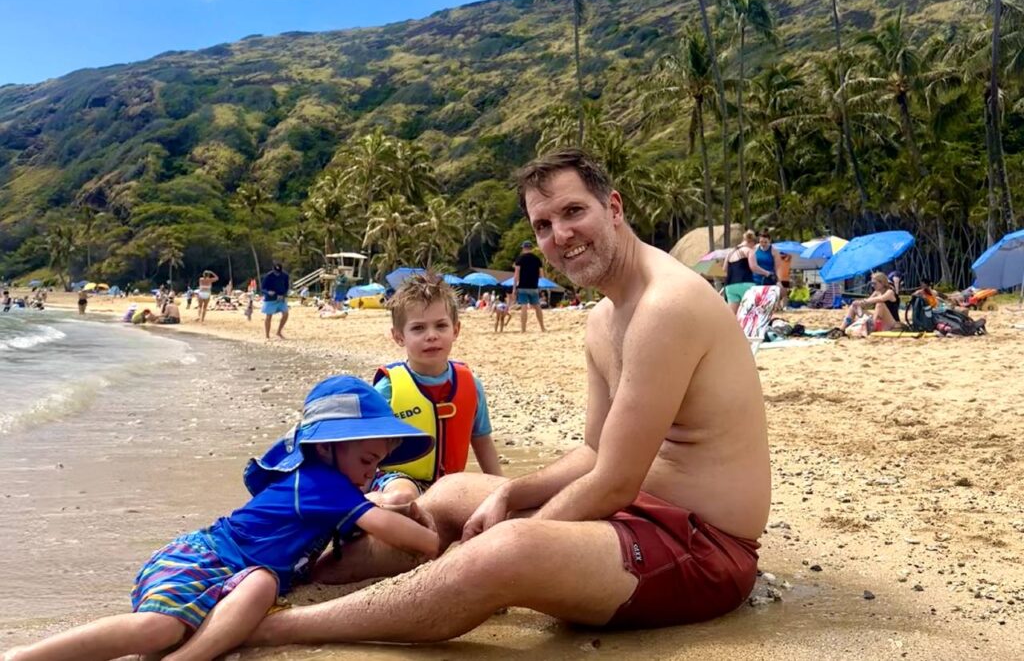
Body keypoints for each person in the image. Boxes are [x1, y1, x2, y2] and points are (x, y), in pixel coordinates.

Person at [247, 148, 770, 649]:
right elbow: (595, 453)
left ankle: (275, 628)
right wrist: (510, 495)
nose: (561, 235)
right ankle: (289, 577)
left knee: (504, 550)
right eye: (543, 225)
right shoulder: (605, 318)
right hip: (638, 514)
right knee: (452, 495)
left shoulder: (666, 307)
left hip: (703, 549)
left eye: (573, 212)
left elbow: (614, 481)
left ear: (613, 208)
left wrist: (515, 533)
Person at [3, 376, 438, 661]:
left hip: (243, 571)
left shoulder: (336, 488)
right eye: (366, 460)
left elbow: (380, 504)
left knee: (263, 582)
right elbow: (405, 536)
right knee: (158, 628)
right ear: (325, 448)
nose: (371, 473)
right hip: (202, 557)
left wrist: (390, 494)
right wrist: (430, 535)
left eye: (378, 465)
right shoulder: (320, 484)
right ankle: (28, 656)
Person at [367, 273, 504, 508]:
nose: (431, 335)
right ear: (399, 336)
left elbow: (482, 443)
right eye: (418, 328)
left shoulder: (470, 385)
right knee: (404, 498)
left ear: (456, 330)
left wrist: (503, 491)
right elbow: (363, 449)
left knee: (492, 498)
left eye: (441, 325)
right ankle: (360, 508)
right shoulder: (388, 389)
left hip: (450, 484)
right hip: (397, 480)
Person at [842, 271, 900, 337]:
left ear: (882, 283)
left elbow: (880, 299)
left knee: (880, 304)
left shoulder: (890, 292)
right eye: (872, 283)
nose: (872, 286)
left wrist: (863, 301)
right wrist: (858, 303)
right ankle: (841, 329)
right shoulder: (876, 292)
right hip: (878, 320)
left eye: (874, 283)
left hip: (892, 323)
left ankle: (871, 328)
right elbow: (867, 304)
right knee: (854, 307)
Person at [513, 241, 546, 333]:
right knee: (537, 307)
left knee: (524, 307)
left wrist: (514, 288)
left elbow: (516, 275)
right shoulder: (537, 259)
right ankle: (542, 327)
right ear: (531, 248)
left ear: (523, 248)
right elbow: (541, 275)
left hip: (523, 286)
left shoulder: (520, 259)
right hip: (534, 286)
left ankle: (523, 329)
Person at [724, 230, 757, 313]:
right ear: (752, 242)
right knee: (749, 312)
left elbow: (724, 269)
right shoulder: (749, 250)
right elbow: (753, 267)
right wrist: (766, 273)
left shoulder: (730, 252)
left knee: (732, 315)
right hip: (745, 283)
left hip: (730, 285)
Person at [261, 263, 290, 340]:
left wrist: (284, 295)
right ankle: (267, 335)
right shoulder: (268, 276)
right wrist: (268, 292)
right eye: (276, 272)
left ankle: (279, 331)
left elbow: (287, 287)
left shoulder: (285, 275)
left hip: (281, 297)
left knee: (286, 314)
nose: (277, 274)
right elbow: (263, 288)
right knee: (269, 316)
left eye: (279, 272)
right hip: (270, 298)